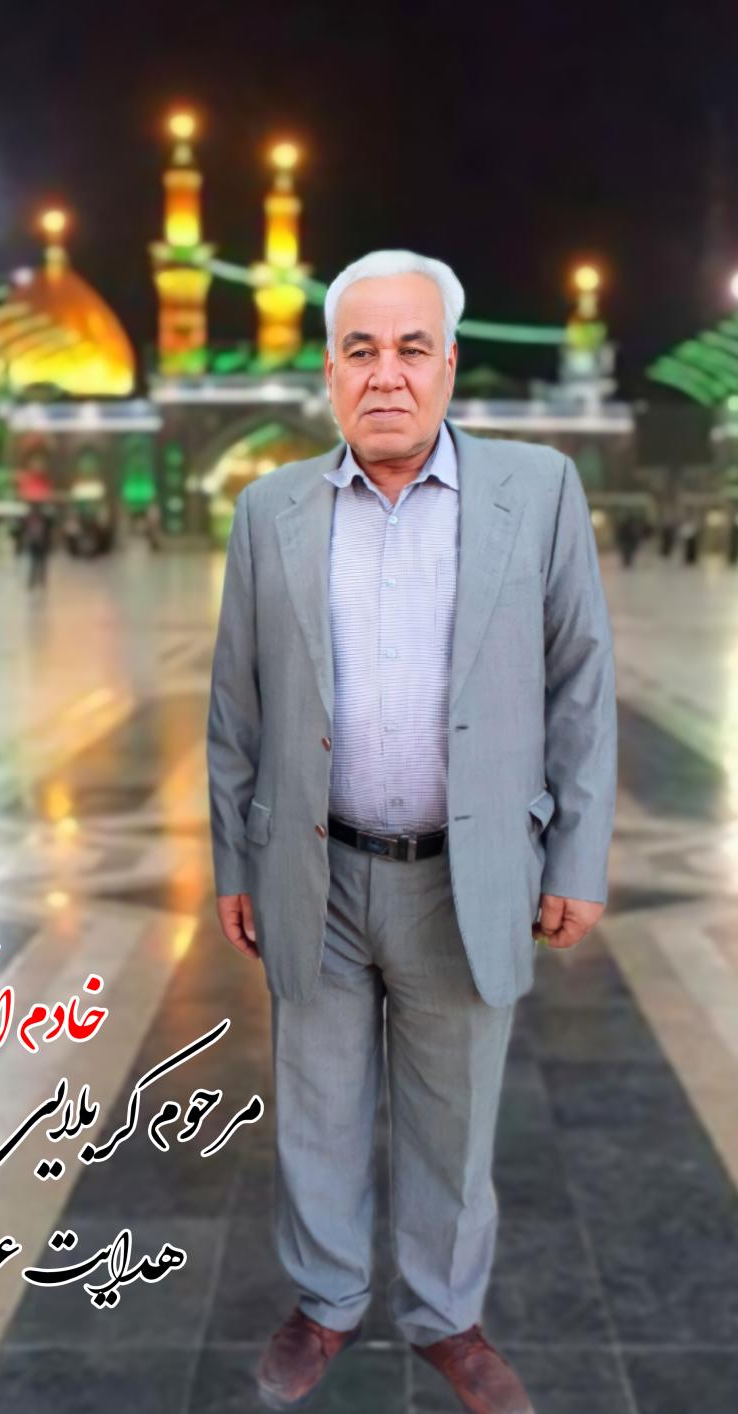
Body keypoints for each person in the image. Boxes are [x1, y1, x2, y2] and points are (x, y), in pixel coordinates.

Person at [207, 250, 617, 1414]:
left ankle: (446, 1315)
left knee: (453, 1115)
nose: (385, 374)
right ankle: (327, 1298)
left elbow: (580, 681)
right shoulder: (271, 509)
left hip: (462, 871)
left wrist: (577, 855)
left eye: (410, 348)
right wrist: (236, 858)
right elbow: (235, 705)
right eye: (360, 349)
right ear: (329, 370)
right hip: (318, 868)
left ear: (448, 363)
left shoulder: (535, 490)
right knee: (318, 1105)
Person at [23, 505, 53, 590]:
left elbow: (47, 534)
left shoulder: (44, 522)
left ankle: (41, 582)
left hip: (42, 545)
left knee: (42, 564)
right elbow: (27, 534)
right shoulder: (29, 522)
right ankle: (32, 582)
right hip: (34, 545)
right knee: (33, 564)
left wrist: (48, 544)